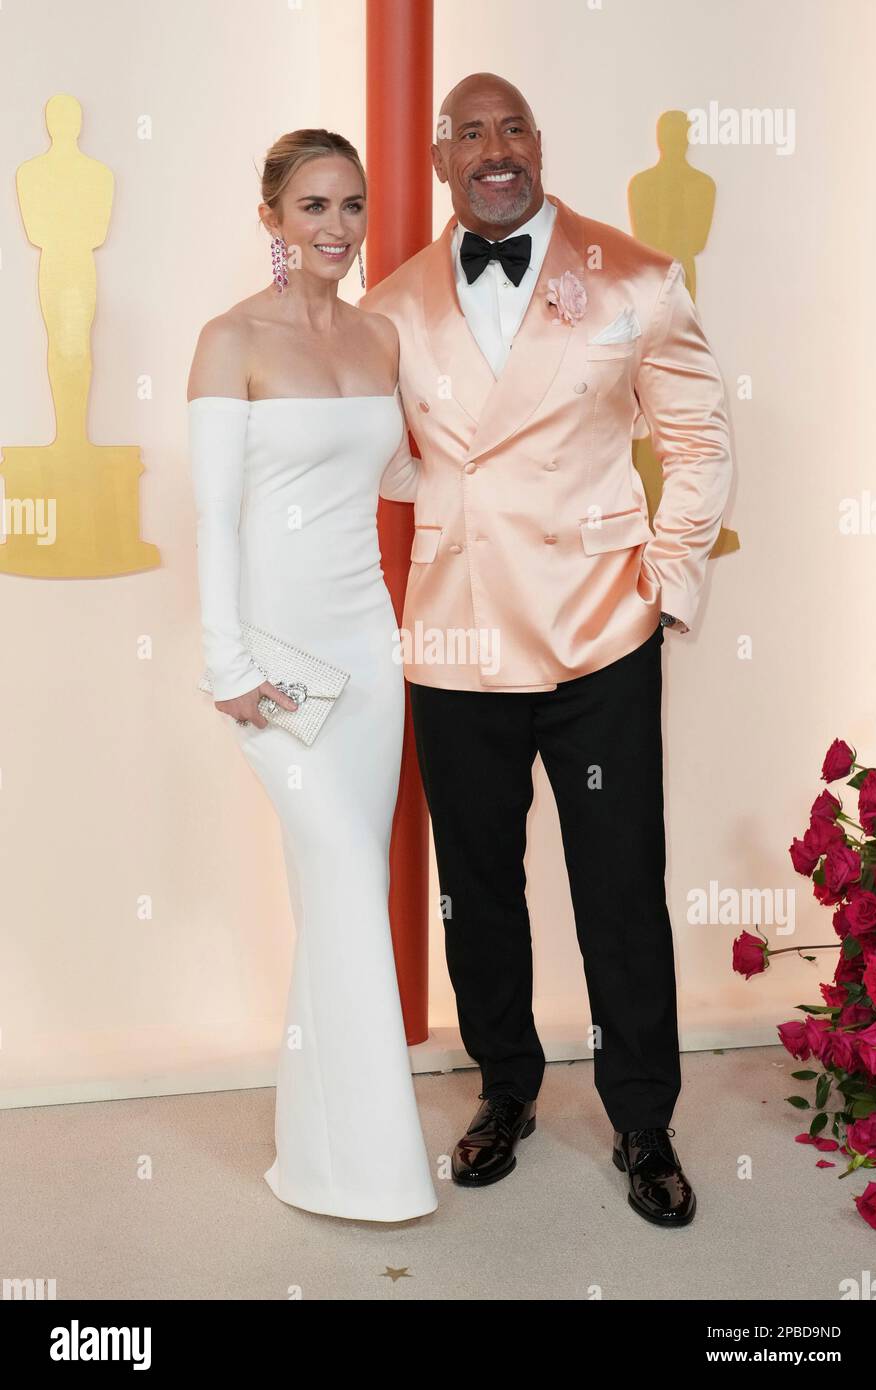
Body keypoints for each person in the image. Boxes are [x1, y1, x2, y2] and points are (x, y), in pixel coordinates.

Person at [361, 73, 735, 1226]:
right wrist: (455, 501)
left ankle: (641, 1119)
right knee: (478, 890)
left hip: (596, 636)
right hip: (456, 639)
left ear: (538, 143)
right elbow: (371, 451)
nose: (493, 149)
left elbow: (697, 431)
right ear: (440, 164)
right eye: (468, 134)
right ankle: (505, 1088)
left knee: (618, 883)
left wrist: (666, 585)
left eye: (510, 127)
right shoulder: (390, 303)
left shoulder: (631, 274)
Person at [187, 128, 436, 1222]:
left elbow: (395, 468)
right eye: (312, 208)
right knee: (338, 877)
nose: (335, 229)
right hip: (272, 660)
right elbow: (212, 516)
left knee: (345, 895)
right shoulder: (227, 339)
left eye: (350, 207)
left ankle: (324, 1145)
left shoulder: (382, 338)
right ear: (273, 220)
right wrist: (225, 667)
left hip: (366, 656)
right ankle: (373, 1167)